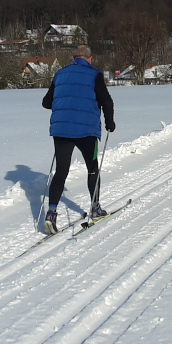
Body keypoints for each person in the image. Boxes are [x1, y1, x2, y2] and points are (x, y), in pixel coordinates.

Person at [41, 45, 115, 234]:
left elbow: (46, 102)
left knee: (61, 171)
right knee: (92, 169)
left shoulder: (60, 74)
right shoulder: (95, 75)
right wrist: (109, 122)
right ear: (90, 58)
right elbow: (106, 100)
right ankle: (95, 208)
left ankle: (51, 213)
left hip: (61, 129)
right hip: (87, 131)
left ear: (74, 57)